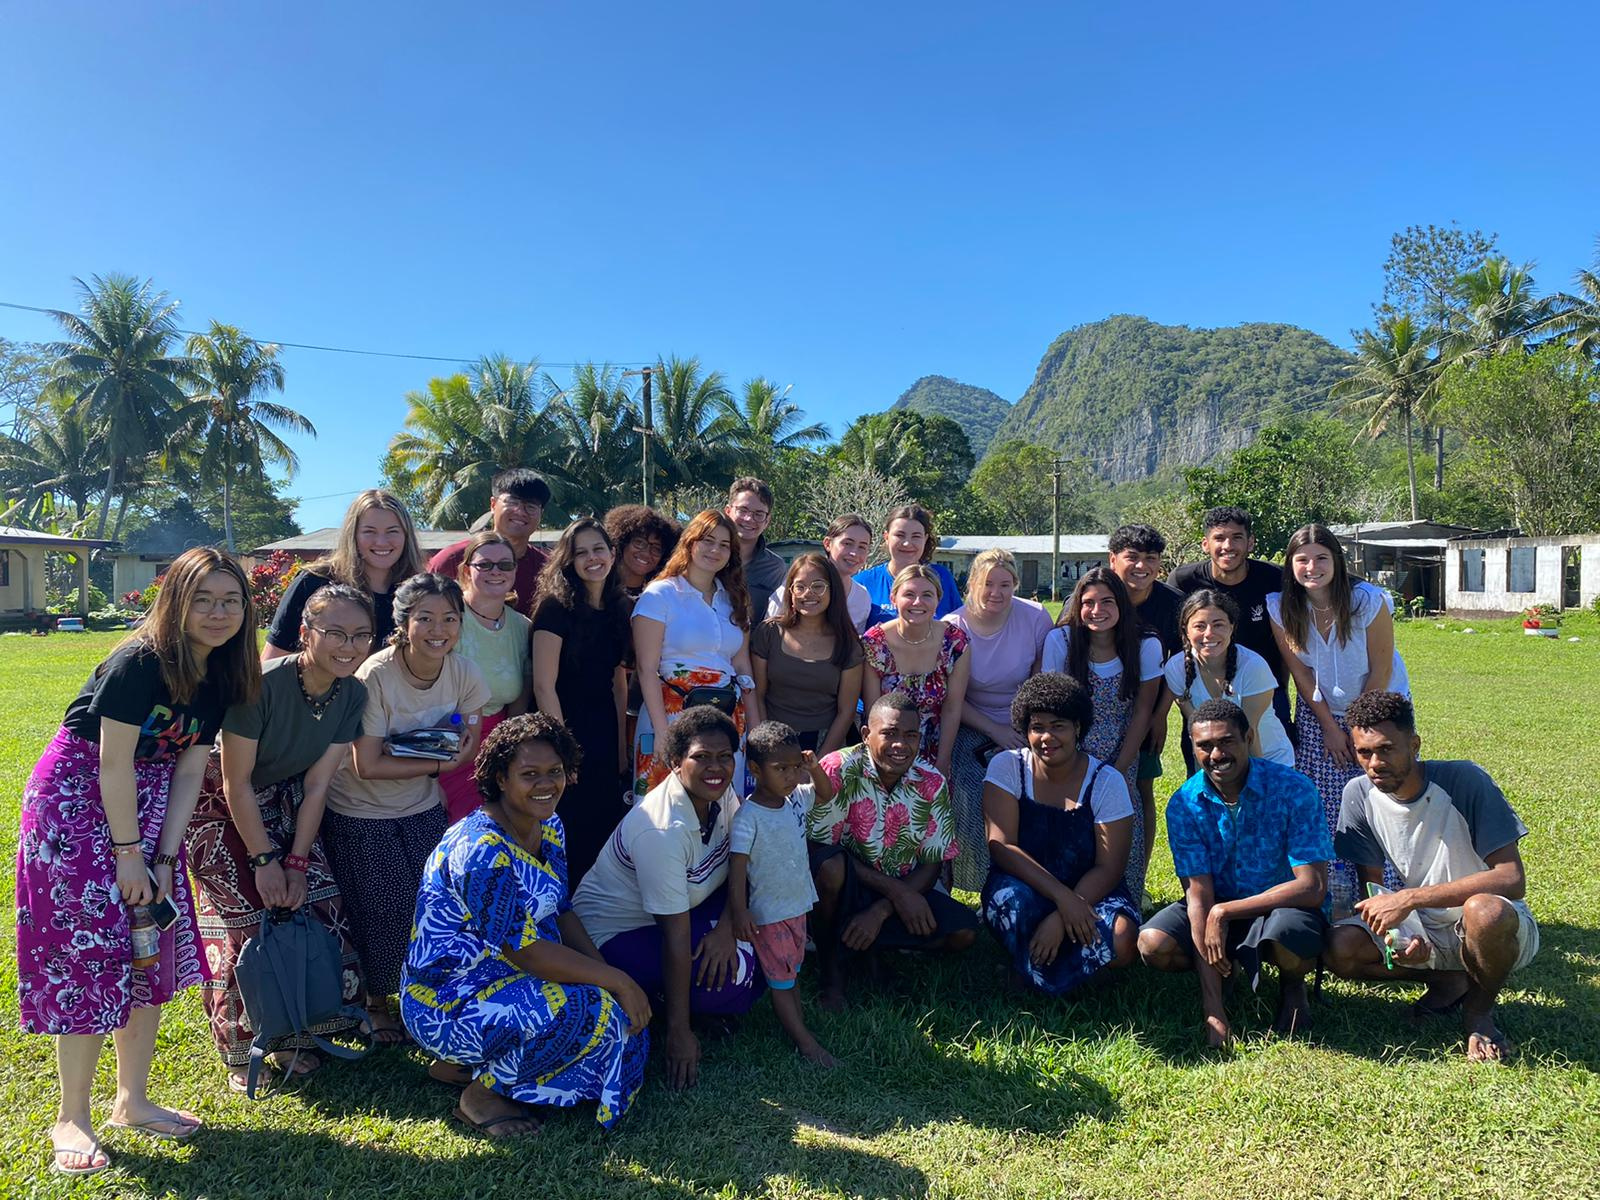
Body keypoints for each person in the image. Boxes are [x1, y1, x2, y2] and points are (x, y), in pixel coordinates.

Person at [17, 547, 259, 1175]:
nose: (218, 613)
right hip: (77, 803)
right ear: (175, 602)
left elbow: (190, 768)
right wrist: (129, 856)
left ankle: (133, 1100)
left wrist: (166, 856)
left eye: (230, 601)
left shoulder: (221, 671)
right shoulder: (139, 662)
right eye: (202, 599)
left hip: (148, 805)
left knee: (150, 948)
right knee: (89, 952)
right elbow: (111, 761)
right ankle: (72, 1116)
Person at [401, 714, 652, 1135]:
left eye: (555, 771)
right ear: (500, 778)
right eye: (529, 774)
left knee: (620, 1019)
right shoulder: (480, 850)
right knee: (586, 1012)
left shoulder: (548, 825)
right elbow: (526, 950)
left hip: (512, 978)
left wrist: (609, 977)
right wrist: (618, 982)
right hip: (447, 997)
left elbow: (561, 911)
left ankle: (468, 1065)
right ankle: (481, 1095)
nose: (546, 784)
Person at [187, 582, 371, 1092]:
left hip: (286, 796)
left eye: (361, 635)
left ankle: (296, 1026)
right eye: (335, 633)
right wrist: (264, 861)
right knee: (249, 918)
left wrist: (296, 862)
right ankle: (239, 1047)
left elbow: (317, 785)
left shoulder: (352, 692)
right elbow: (235, 782)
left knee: (319, 901)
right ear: (306, 633)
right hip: (218, 802)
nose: (349, 646)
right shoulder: (261, 685)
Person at [1325, 692, 1539, 1064]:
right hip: (1426, 926)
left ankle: (1479, 1013)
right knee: (1338, 947)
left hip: (1492, 923)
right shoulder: (1358, 794)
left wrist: (1410, 899)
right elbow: (1374, 891)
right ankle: (1448, 981)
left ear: (1414, 745)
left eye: (1386, 749)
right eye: (1364, 752)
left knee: (1483, 911)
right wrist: (1401, 937)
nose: (1375, 764)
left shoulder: (1464, 780)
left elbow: (1511, 878)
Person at [322, 573, 489, 1046]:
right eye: (425, 619)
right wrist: (438, 763)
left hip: (421, 805)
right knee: (379, 909)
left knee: (432, 905)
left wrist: (444, 756)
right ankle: (377, 1003)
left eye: (450, 619)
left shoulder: (463, 672)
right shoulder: (375, 675)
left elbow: (470, 741)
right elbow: (368, 764)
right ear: (403, 624)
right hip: (360, 809)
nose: (439, 630)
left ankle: (428, 994)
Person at [572, 707, 765, 1091]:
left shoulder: (722, 793)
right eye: (701, 757)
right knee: (731, 978)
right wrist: (680, 1033)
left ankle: (677, 997)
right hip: (619, 931)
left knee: (756, 934)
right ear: (675, 762)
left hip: (689, 905)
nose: (716, 767)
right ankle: (669, 1011)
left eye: (725, 756)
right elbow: (675, 936)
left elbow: (740, 862)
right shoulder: (661, 829)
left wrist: (726, 928)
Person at [1138, 700, 1332, 1047]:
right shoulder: (1185, 803)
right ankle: (1223, 975)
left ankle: (1293, 986)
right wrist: (1213, 1012)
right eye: (1205, 746)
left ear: (1248, 738)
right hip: (1217, 899)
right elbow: (1199, 895)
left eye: (1226, 741)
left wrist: (1224, 912)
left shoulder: (1293, 788)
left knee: (1290, 936)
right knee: (1153, 944)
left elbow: (1312, 886)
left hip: (1282, 905)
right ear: (1192, 747)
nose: (1216, 754)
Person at [1268, 522, 1411, 915]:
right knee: (1324, 805)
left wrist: (1357, 730)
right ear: (1291, 565)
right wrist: (1331, 728)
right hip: (1320, 714)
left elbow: (1381, 669)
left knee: (1382, 797)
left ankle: (1390, 895)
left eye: (1321, 558)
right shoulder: (1281, 607)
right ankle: (1337, 899)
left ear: (1337, 561)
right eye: (1302, 560)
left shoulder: (1368, 601)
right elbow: (1300, 674)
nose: (1312, 567)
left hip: (1379, 709)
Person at [807, 693, 978, 1011]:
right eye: (889, 733)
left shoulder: (931, 782)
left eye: (910, 735)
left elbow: (932, 861)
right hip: (846, 886)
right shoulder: (838, 768)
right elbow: (818, 846)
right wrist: (897, 893)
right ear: (866, 734)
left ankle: (869, 948)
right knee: (830, 868)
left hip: (899, 886)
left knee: (963, 932)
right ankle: (831, 970)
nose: (900, 744)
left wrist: (882, 910)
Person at [980, 674, 1139, 995]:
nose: (1046, 737)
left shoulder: (1106, 781)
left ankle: (1031, 971)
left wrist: (1067, 910)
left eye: (1058, 726)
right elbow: (1001, 846)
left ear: (1078, 727)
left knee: (1122, 939)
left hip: (1090, 891)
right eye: (1037, 727)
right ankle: (1074, 975)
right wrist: (1062, 899)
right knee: (1012, 906)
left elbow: (1110, 867)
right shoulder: (1007, 766)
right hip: (1025, 884)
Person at [1041, 566, 1162, 904]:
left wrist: (1118, 768)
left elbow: (1143, 710)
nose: (1097, 610)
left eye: (1107, 601)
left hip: (1122, 749)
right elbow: (1051, 706)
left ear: (1122, 604)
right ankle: (1066, 893)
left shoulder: (1146, 643)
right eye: (1088, 603)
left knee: (1121, 817)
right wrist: (1069, 762)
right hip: (1070, 750)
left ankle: (1125, 892)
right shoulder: (1061, 641)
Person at [725, 722, 838, 1066]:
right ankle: (806, 1044)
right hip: (770, 914)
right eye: (780, 769)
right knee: (782, 981)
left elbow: (826, 793)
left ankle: (797, 1023)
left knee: (792, 972)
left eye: (794, 767)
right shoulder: (748, 817)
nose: (790, 776)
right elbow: (737, 869)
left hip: (797, 905)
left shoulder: (795, 800)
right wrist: (740, 911)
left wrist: (814, 768)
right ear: (755, 769)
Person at [630, 509, 760, 800]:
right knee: (664, 806)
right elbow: (646, 668)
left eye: (724, 545)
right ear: (690, 542)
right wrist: (663, 734)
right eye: (708, 540)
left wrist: (754, 728)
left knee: (722, 807)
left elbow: (742, 666)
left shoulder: (735, 600)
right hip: (670, 714)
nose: (715, 550)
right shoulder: (660, 595)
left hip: (726, 717)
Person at [531, 518, 633, 882]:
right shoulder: (554, 608)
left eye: (598, 549)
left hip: (604, 730)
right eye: (581, 553)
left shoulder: (619, 608)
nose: (592, 559)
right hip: (563, 729)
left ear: (612, 554)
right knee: (569, 830)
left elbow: (618, 682)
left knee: (603, 830)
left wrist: (621, 748)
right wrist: (563, 752)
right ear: (568, 561)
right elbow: (543, 685)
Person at [947, 549, 1051, 891]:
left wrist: (1021, 729)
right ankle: (980, 882)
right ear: (972, 583)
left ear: (1015, 585)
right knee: (972, 791)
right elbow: (952, 699)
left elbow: (1041, 682)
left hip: (1025, 722)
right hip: (973, 721)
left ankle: (1035, 877)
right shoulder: (954, 626)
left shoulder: (1035, 617)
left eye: (1005, 584)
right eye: (988, 583)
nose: (996, 592)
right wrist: (995, 731)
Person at [1168, 506, 1292, 745]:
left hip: (1264, 687)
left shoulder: (1274, 578)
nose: (1228, 546)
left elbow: (1289, 637)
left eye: (1237, 537)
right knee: (1206, 757)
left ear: (1250, 542)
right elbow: (1176, 638)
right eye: (1219, 538)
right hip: (1202, 689)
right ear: (1205, 544)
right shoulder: (1184, 581)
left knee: (1267, 754)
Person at [264, 488, 423, 660]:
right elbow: (271, 662)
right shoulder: (313, 583)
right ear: (352, 535)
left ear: (406, 536)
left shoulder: (417, 592)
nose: (381, 542)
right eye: (369, 531)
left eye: (392, 531)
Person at [440, 530, 531, 822]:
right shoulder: (447, 617)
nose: (495, 571)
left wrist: (509, 753)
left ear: (514, 571)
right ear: (467, 570)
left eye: (504, 565)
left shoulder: (522, 627)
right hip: (445, 741)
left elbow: (519, 701)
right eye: (484, 565)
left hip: (496, 747)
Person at [1107, 524, 1184, 844]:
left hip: (1146, 707)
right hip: (1093, 709)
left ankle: (1139, 868)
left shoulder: (1173, 603)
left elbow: (1181, 662)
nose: (1142, 566)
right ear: (1113, 559)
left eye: (1151, 558)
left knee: (1141, 788)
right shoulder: (1092, 596)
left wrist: (1160, 715)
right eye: (1132, 557)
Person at [1157, 590, 1293, 768]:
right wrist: (1207, 776)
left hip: (1268, 761)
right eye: (1199, 626)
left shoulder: (1253, 666)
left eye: (1218, 625)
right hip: (1217, 763)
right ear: (1185, 630)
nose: (1209, 633)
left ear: (1232, 627)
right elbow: (1197, 733)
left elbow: (1249, 734)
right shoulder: (1175, 669)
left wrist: (1257, 782)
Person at [860, 564, 971, 777]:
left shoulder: (955, 642)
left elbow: (952, 707)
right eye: (909, 594)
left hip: (935, 748)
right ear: (893, 598)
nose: (918, 602)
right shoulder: (874, 644)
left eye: (927, 595)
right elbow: (873, 712)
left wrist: (942, 761)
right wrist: (880, 764)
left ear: (938, 600)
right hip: (886, 749)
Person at [751, 553, 864, 757]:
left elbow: (846, 712)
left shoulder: (848, 644)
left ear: (832, 590)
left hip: (825, 744)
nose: (808, 593)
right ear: (790, 592)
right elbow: (757, 695)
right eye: (800, 587)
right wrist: (767, 749)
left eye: (818, 586)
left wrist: (820, 762)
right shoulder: (768, 633)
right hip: (771, 742)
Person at [428, 468, 551, 618]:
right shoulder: (451, 560)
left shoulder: (548, 570)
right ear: (493, 505)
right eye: (512, 502)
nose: (520, 511)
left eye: (530, 506)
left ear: (541, 514)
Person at [856, 504, 961, 626]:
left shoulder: (941, 577)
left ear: (925, 538)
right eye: (900, 535)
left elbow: (958, 625)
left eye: (916, 536)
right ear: (886, 537)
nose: (907, 543)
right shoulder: (863, 583)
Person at [767, 512, 874, 632]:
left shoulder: (861, 597)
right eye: (847, 544)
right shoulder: (799, 585)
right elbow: (770, 631)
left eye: (862, 547)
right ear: (828, 544)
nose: (854, 553)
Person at [725, 476, 787, 618]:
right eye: (743, 510)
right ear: (728, 511)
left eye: (759, 514)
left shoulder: (775, 569)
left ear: (767, 520)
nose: (749, 519)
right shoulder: (711, 556)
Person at [605, 503, 680, 600]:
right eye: (639, 543)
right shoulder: (601, 588)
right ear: (622, 542)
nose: (646, 553)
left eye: (656, 548)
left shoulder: (662, 594)